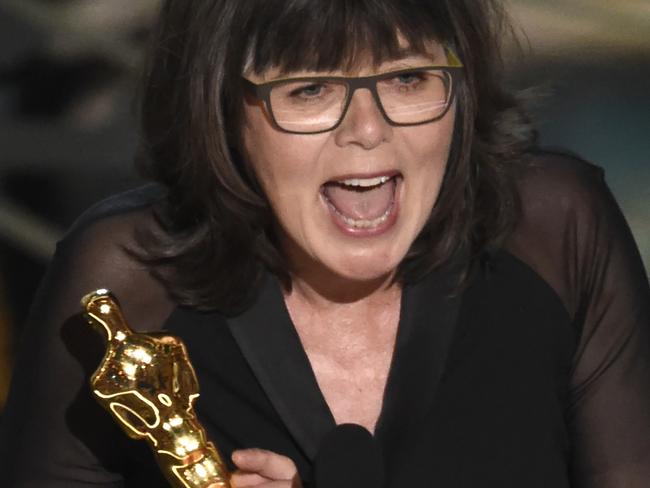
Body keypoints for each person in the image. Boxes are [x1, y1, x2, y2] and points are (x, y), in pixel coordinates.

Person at [1, 0, 649, 486]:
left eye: (408, 79)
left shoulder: (557, 232)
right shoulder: (125, 281)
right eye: (309, 88)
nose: (368, 130)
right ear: (220, 107)